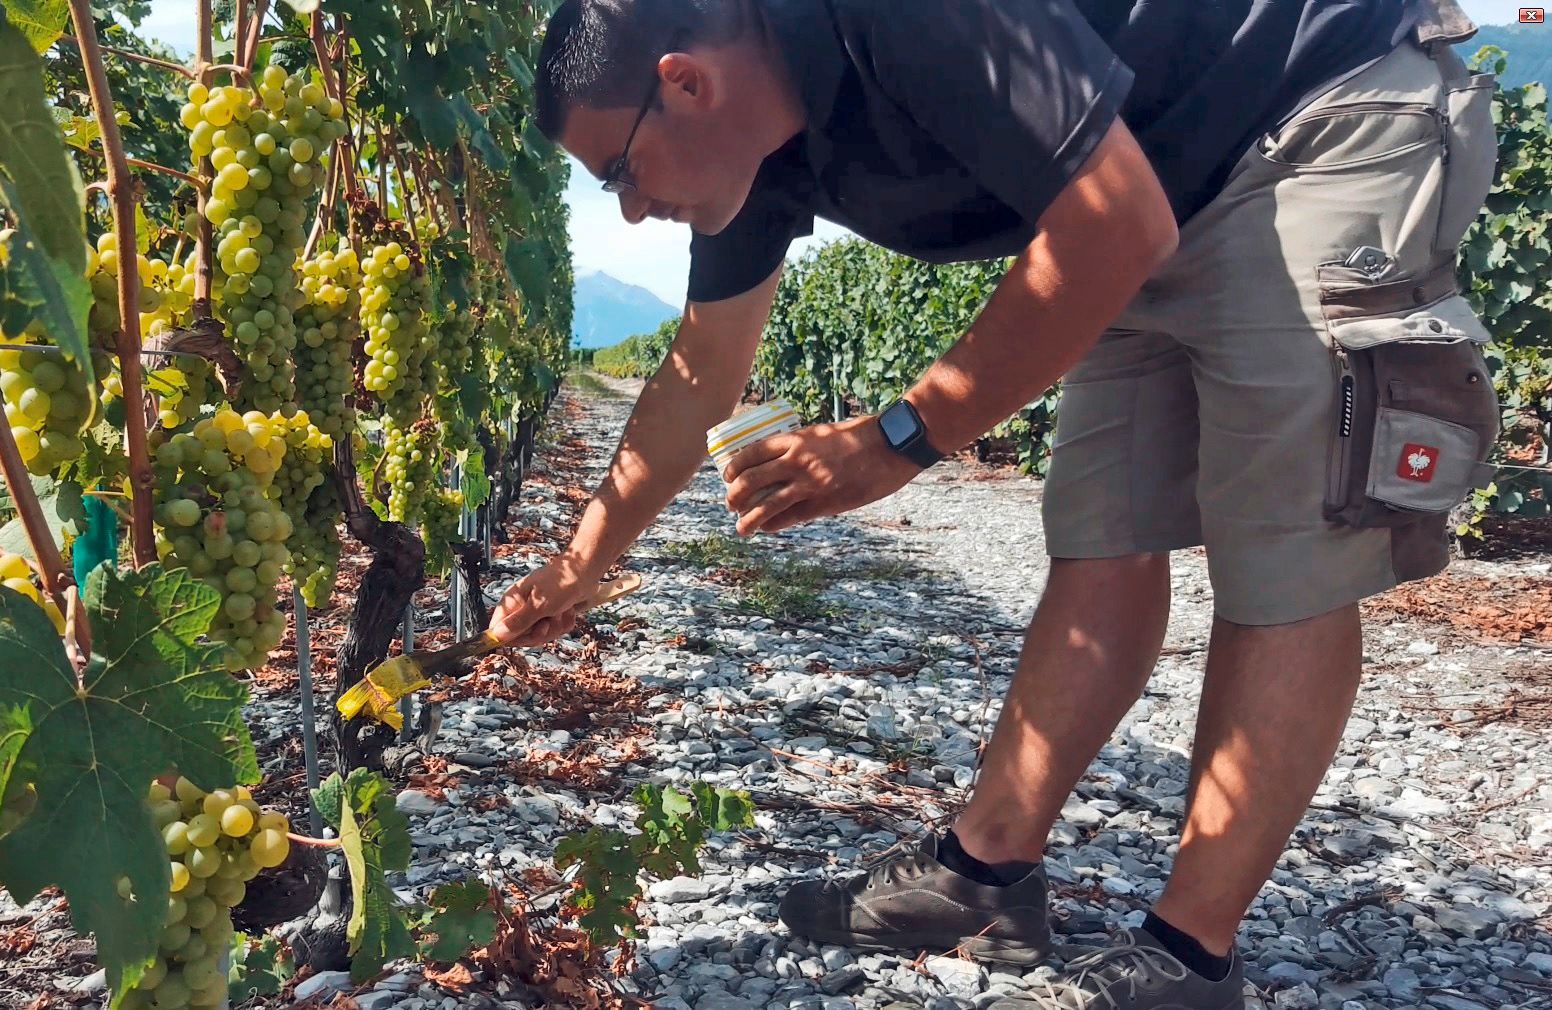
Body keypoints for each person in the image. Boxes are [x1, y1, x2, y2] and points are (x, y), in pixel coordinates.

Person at [488, 0, 1505, 1005]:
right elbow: (701, 371)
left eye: (618, 171)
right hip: (1146, 179)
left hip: (1309, 111)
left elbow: (1114, 223)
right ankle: (983, 875)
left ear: (686, 83)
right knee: (1102, 528)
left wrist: (901, 436)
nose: (629, 209)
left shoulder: (904, 18)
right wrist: (579, 563)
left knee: (1286, 552)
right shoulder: (754, 152)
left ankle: (1189, 957)